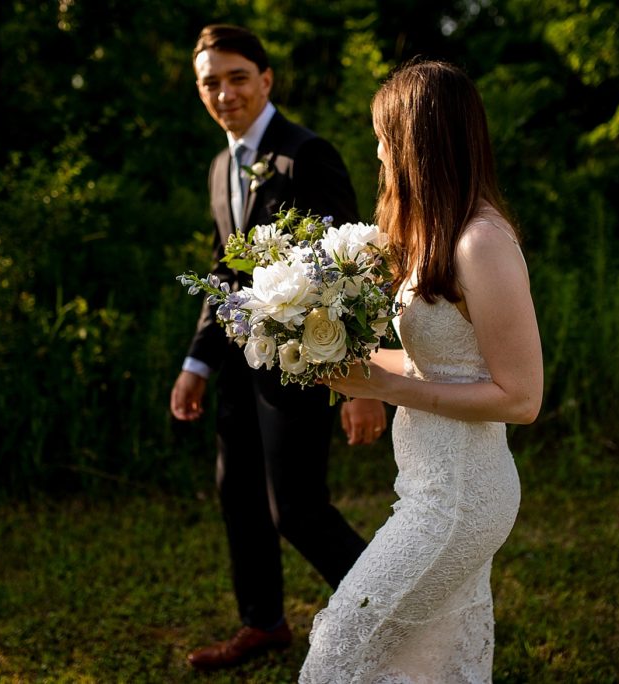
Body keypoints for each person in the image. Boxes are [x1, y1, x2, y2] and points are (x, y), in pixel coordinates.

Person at [300, 60, 543, 682]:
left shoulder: (480, 243)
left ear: (417, 141)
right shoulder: (436, 238)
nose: (378, 152)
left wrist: (388, 389)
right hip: (428, 485)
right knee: (429, 662)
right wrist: (324, 356)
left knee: (342, 643)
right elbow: (434, 363)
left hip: (460, 498)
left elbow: (521, 398)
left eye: (384, 137)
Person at [170, 24, 388, 670]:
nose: (225, 92)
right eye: (211, 81)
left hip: (302, 364)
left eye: (238, 77)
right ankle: (263, 623)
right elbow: (224, 271)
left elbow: (349, 276)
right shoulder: (220, 166)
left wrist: (356, 382)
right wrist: (197, 361)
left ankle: (394, 614)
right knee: (236, 492)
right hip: (240, 360)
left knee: (297, 509)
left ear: (267, 79)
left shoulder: (305, 155)